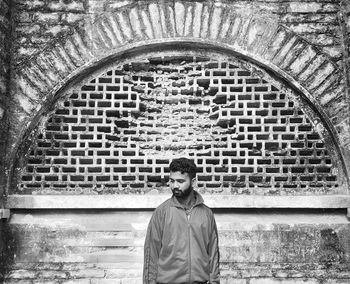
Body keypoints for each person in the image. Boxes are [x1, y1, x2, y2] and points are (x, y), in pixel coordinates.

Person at [143, 157, 220, 284]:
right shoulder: (161, 212)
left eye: (180, 181)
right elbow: (151, 256)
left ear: (193, 181)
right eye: (172, 181)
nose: (175, 186)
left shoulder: (207, 214)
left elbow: (213, 254)